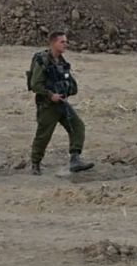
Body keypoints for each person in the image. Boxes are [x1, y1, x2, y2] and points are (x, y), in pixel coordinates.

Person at [28, 31, 95, 175]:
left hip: (62, 103)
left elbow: (72, 84)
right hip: (48, 105)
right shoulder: (42, 60)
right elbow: (35, 84)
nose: (66, 44)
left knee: (78, 126)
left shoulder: (62, 63)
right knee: (43, 135)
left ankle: (75, 159)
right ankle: (35, 163)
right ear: (53, 43)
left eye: (66, 41)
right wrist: (51, 95)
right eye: (62, 42)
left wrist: (67, 89)